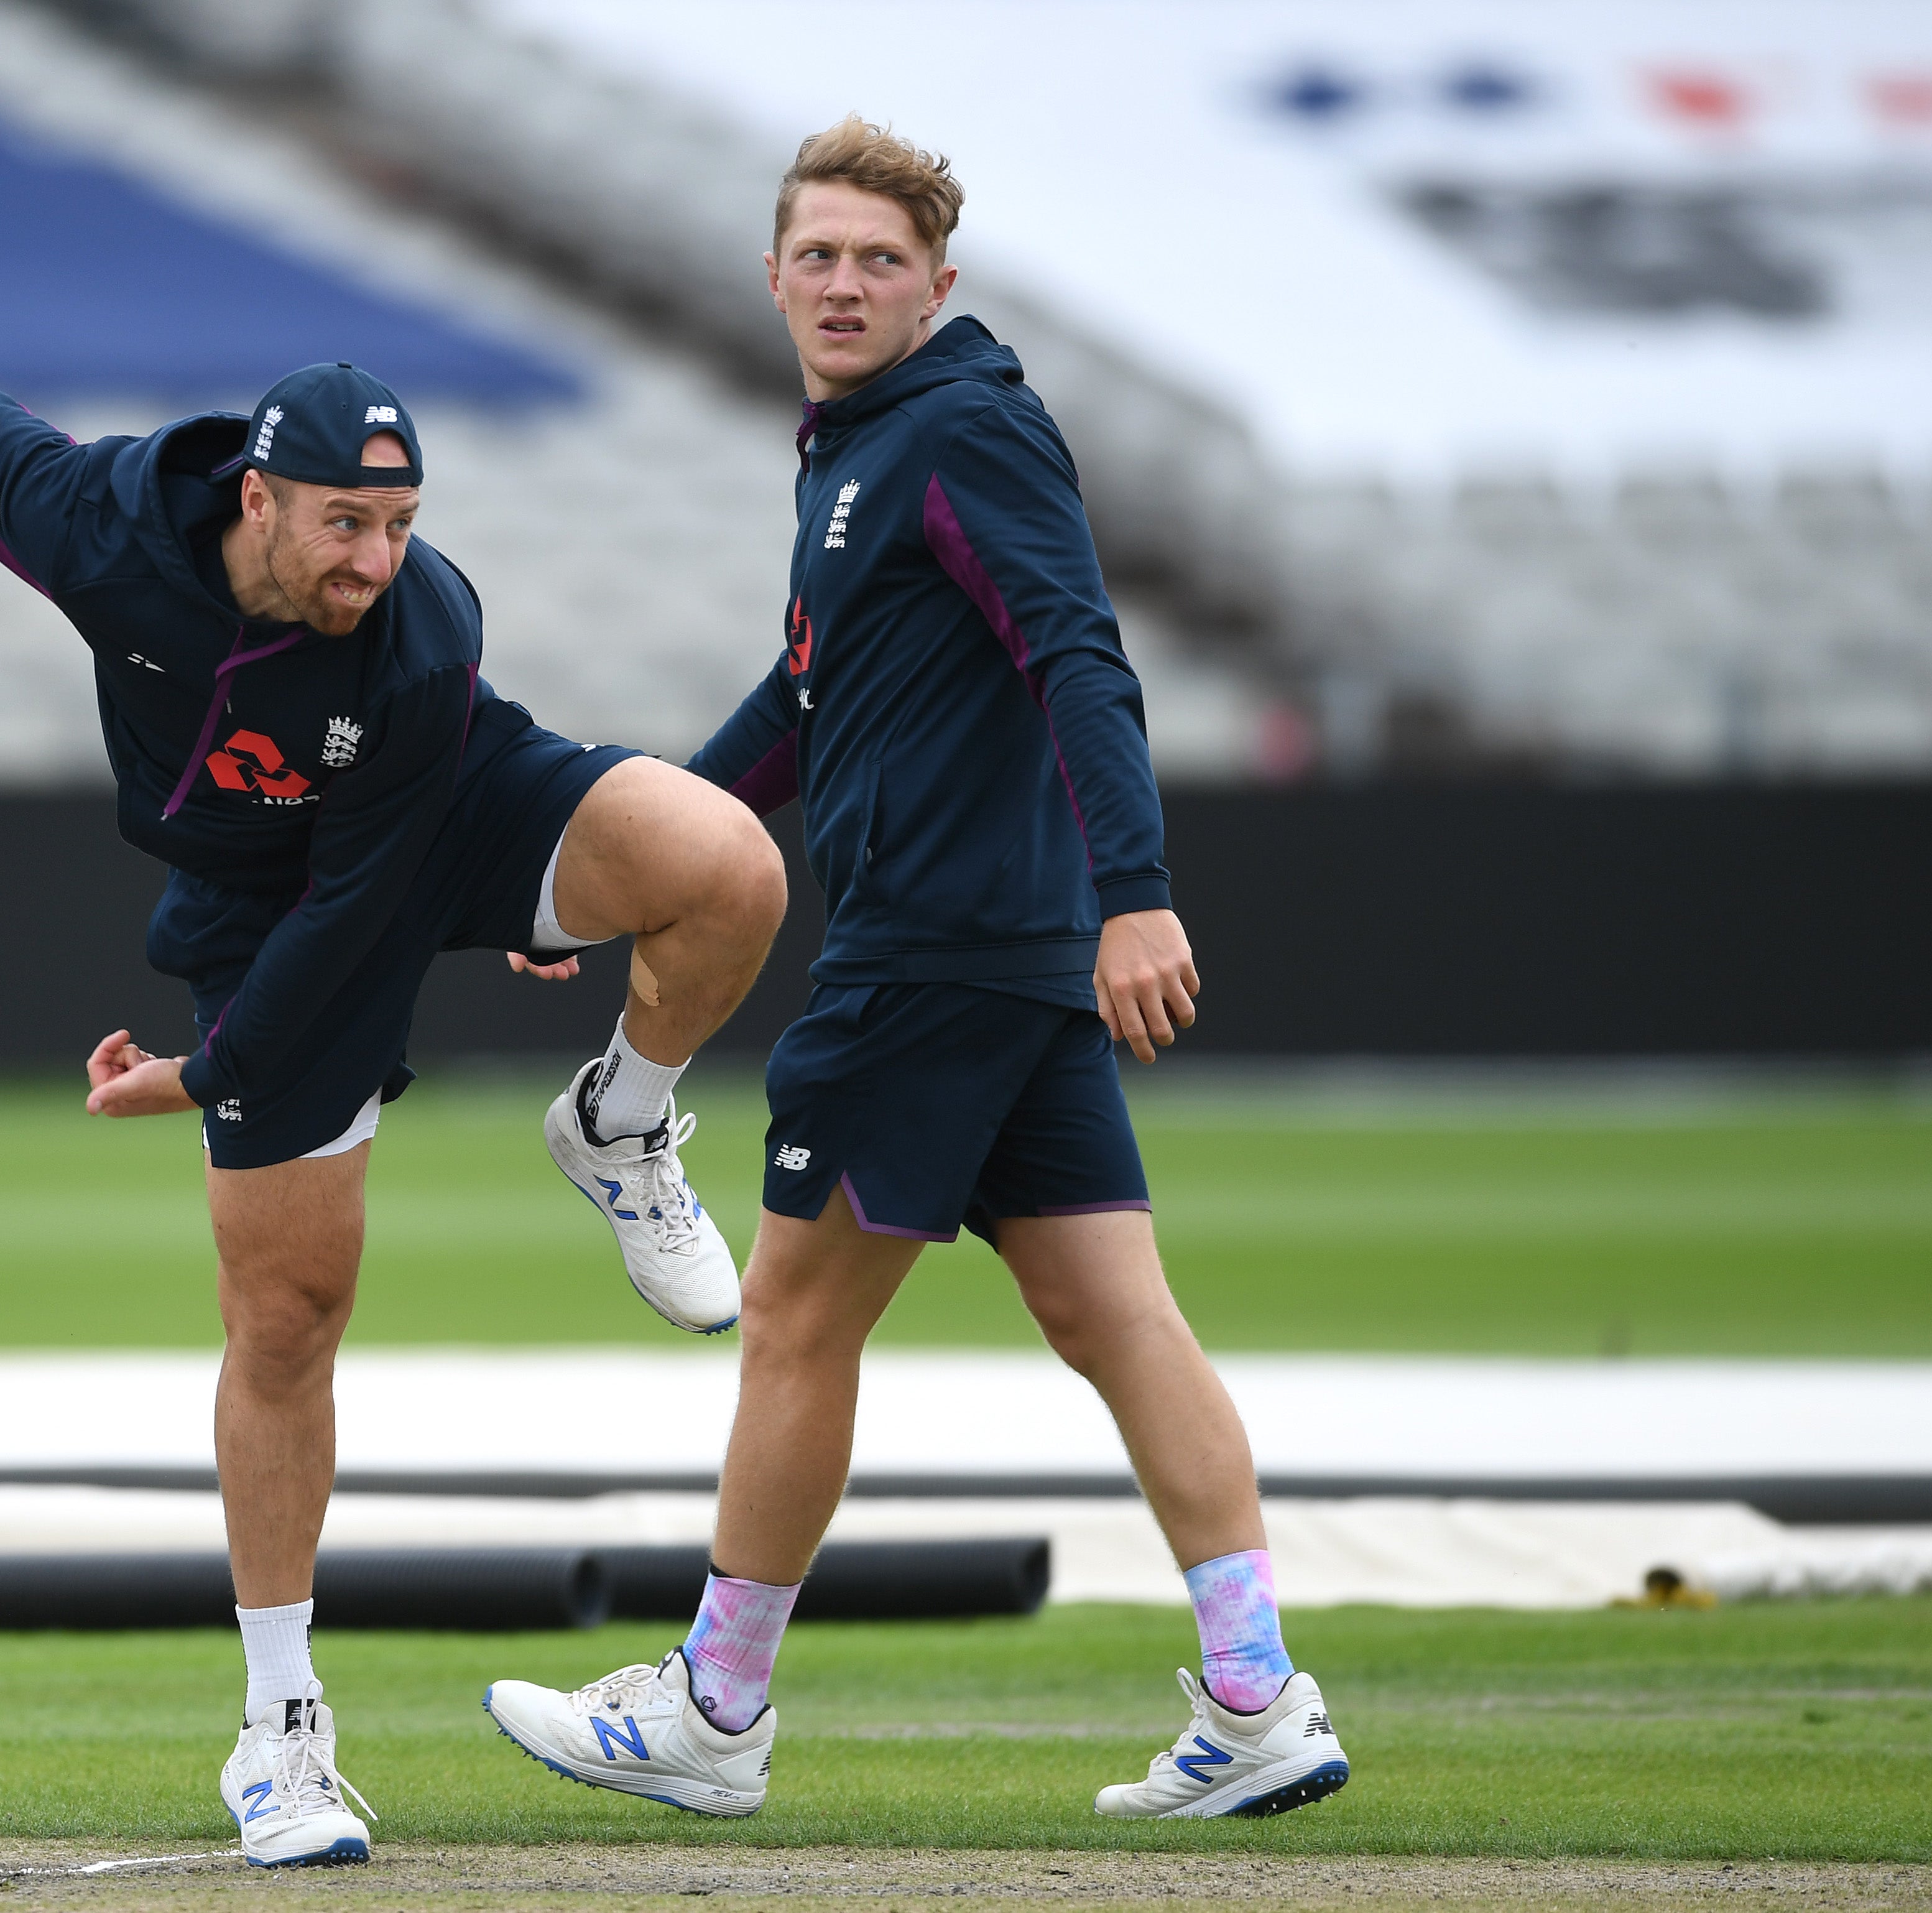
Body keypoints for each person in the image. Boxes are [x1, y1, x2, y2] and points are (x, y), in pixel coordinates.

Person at [0, 136, 787, 1866]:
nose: (373, 556)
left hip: (438, 802)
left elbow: (374, 903)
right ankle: (282, 1730)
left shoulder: (421, 634)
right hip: (258, 897)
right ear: (257, 496)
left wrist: (202, 1074)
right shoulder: (105, 525)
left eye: (398, 524)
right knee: (293, 1314)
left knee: (728, 865)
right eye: (344, 523)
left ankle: (616, 1122)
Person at [482, 117, 1348, 1822]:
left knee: (794, 1320)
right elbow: (804, 699)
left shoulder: (959, 431)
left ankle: (716, 1709)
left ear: (938, 284)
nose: (846, 281)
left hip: (935, 955)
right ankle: (1257, 1696)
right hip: (1002, 961)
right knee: (1117, 1315)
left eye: (881, 259)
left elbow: (1081, 648)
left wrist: (1141, 892)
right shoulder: (863, 452)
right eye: (820, 254)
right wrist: (602, 867)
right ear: (774, 274)